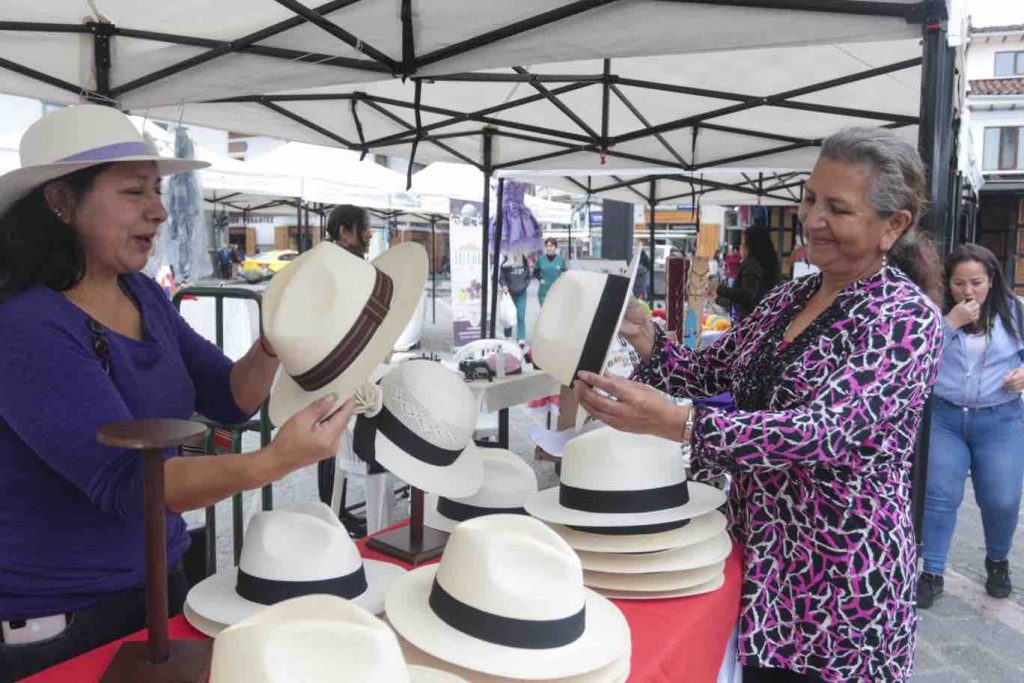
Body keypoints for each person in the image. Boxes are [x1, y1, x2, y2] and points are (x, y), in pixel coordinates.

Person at [572, 127, 944, 682]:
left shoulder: (905, 320)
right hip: (763, 561)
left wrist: (676, 423)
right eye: (810, 198)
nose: (812, 219)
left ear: (894, 225)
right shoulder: (788, 297)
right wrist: (646, 338)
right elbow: (711, 371)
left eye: (836, 208)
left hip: (843, 583)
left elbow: (820, 432)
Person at [0, 105, 354, 680]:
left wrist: (273, 340)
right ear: (61, 204)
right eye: (134, 191)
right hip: (59, 617)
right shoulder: (24, 323)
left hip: (158, 583)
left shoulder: (140, 293)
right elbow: (127, 483)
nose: (159, 210)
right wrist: (277, 461)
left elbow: (228, 397)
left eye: (159, 190)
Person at [918, 244, 1024, 608]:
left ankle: (997, 560)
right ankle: (931, 571)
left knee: (1002, 498)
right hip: (946, 418)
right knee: (938, 497)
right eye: (959, 283)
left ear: (992, 281)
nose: (967, 291)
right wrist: (952, 322)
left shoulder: (1016, 313)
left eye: (976, 282)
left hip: (1000, 419)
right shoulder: (935, 314)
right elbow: (916, 355)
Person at [710, 224, 781, 321]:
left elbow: (747, 296)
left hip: (750, 324)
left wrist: (720, 289)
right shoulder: (765, 265)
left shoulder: (752, 264)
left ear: (751, 245)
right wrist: (717, 299)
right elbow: (741, 300)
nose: (740, 247)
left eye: (742, 243)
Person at [499, 254, 532, 341]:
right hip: (509, 293)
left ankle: (521, 338)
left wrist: (524, 286)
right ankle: (507, 337)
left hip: (521, 293)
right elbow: (501, 278)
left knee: (520, 315)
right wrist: (504, 286)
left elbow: (528, 277)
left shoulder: (524, 262)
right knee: (508, 316)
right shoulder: (506, 263)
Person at [534, 237, 567, 308]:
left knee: (555, 314)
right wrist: (540, 279)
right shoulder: (540, 259)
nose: (549, 248)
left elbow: (566, 274)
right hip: (543, 293)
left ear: (556, 247)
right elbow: (535, 273)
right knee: (545, 314)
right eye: (547, 246)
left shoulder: (561, 260)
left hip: (557, 292)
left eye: (551, 246)